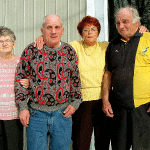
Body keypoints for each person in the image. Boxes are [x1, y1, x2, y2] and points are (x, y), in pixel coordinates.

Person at [34, 16, 148, 150]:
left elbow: (128, 40)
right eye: (85, 30)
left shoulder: (106, 46)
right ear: (81, 33)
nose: (89, 33)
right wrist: (42, 38)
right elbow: (56, 44)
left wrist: (141, 29)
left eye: (93, 29)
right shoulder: (74, 46)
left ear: (98, 32)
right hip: (82, 102)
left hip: (104, 102)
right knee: (80, 142)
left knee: (103, 142)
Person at [15, 14, 82, 150]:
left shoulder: (69, 51)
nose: (53, 31)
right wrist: (23, 107)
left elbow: (75, 79)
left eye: (57, 27)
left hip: (62, 114)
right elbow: (20, 79)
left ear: (62, 30)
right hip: (36, 115)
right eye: (49, 27)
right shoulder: (31, 50)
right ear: (42, 30)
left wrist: (75, 103)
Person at [102, 6, 150, 150]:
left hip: (143, 107)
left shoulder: (148, 39)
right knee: (119, 146)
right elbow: (107, 74)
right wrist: (105, 100)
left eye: (125, 21)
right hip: (119, 108)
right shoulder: (113, 45)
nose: (121, 26)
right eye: (117, 23)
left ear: (137, 22)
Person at [0, 26, 29, 150]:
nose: (4, 44)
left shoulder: (21, 63)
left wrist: (29, 82)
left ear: (14, 44)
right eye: (1, 41)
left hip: (14, 115)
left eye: (8, 41)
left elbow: (33, 84)